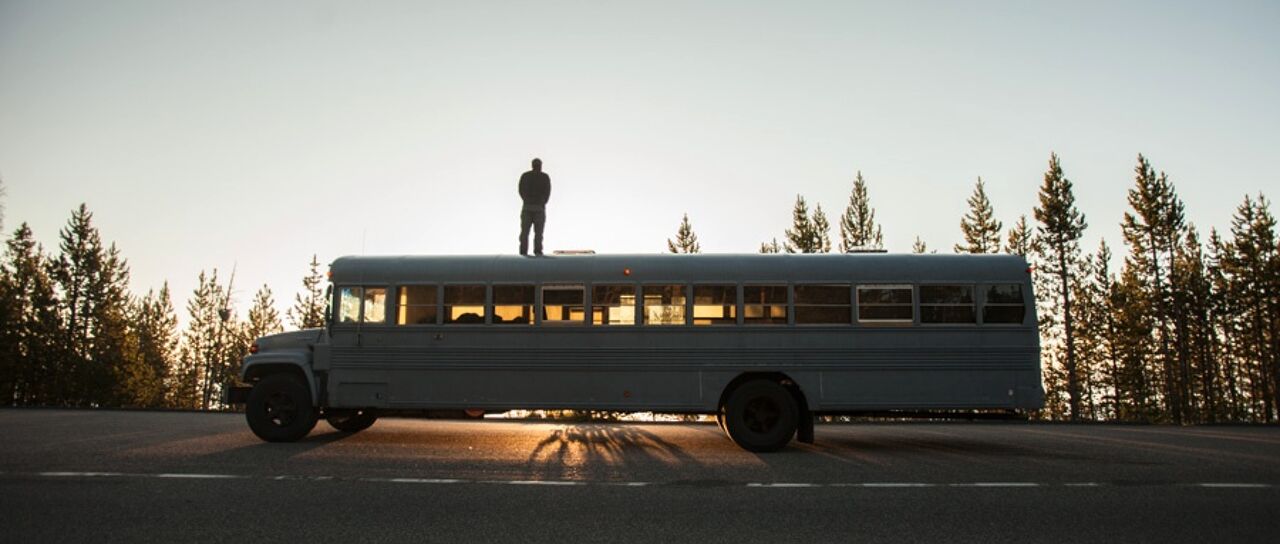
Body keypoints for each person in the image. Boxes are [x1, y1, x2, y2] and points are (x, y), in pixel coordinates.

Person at [518, 158, 551, 256]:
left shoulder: (526, 176)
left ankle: (526, 251)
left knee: (527, 233)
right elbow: (547, 192)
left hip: (530, 207)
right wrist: (541, 202)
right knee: (536, 233)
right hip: (535, 208)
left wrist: (528, 200)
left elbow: (521, 190)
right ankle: (536, 251)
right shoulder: (544, 177)